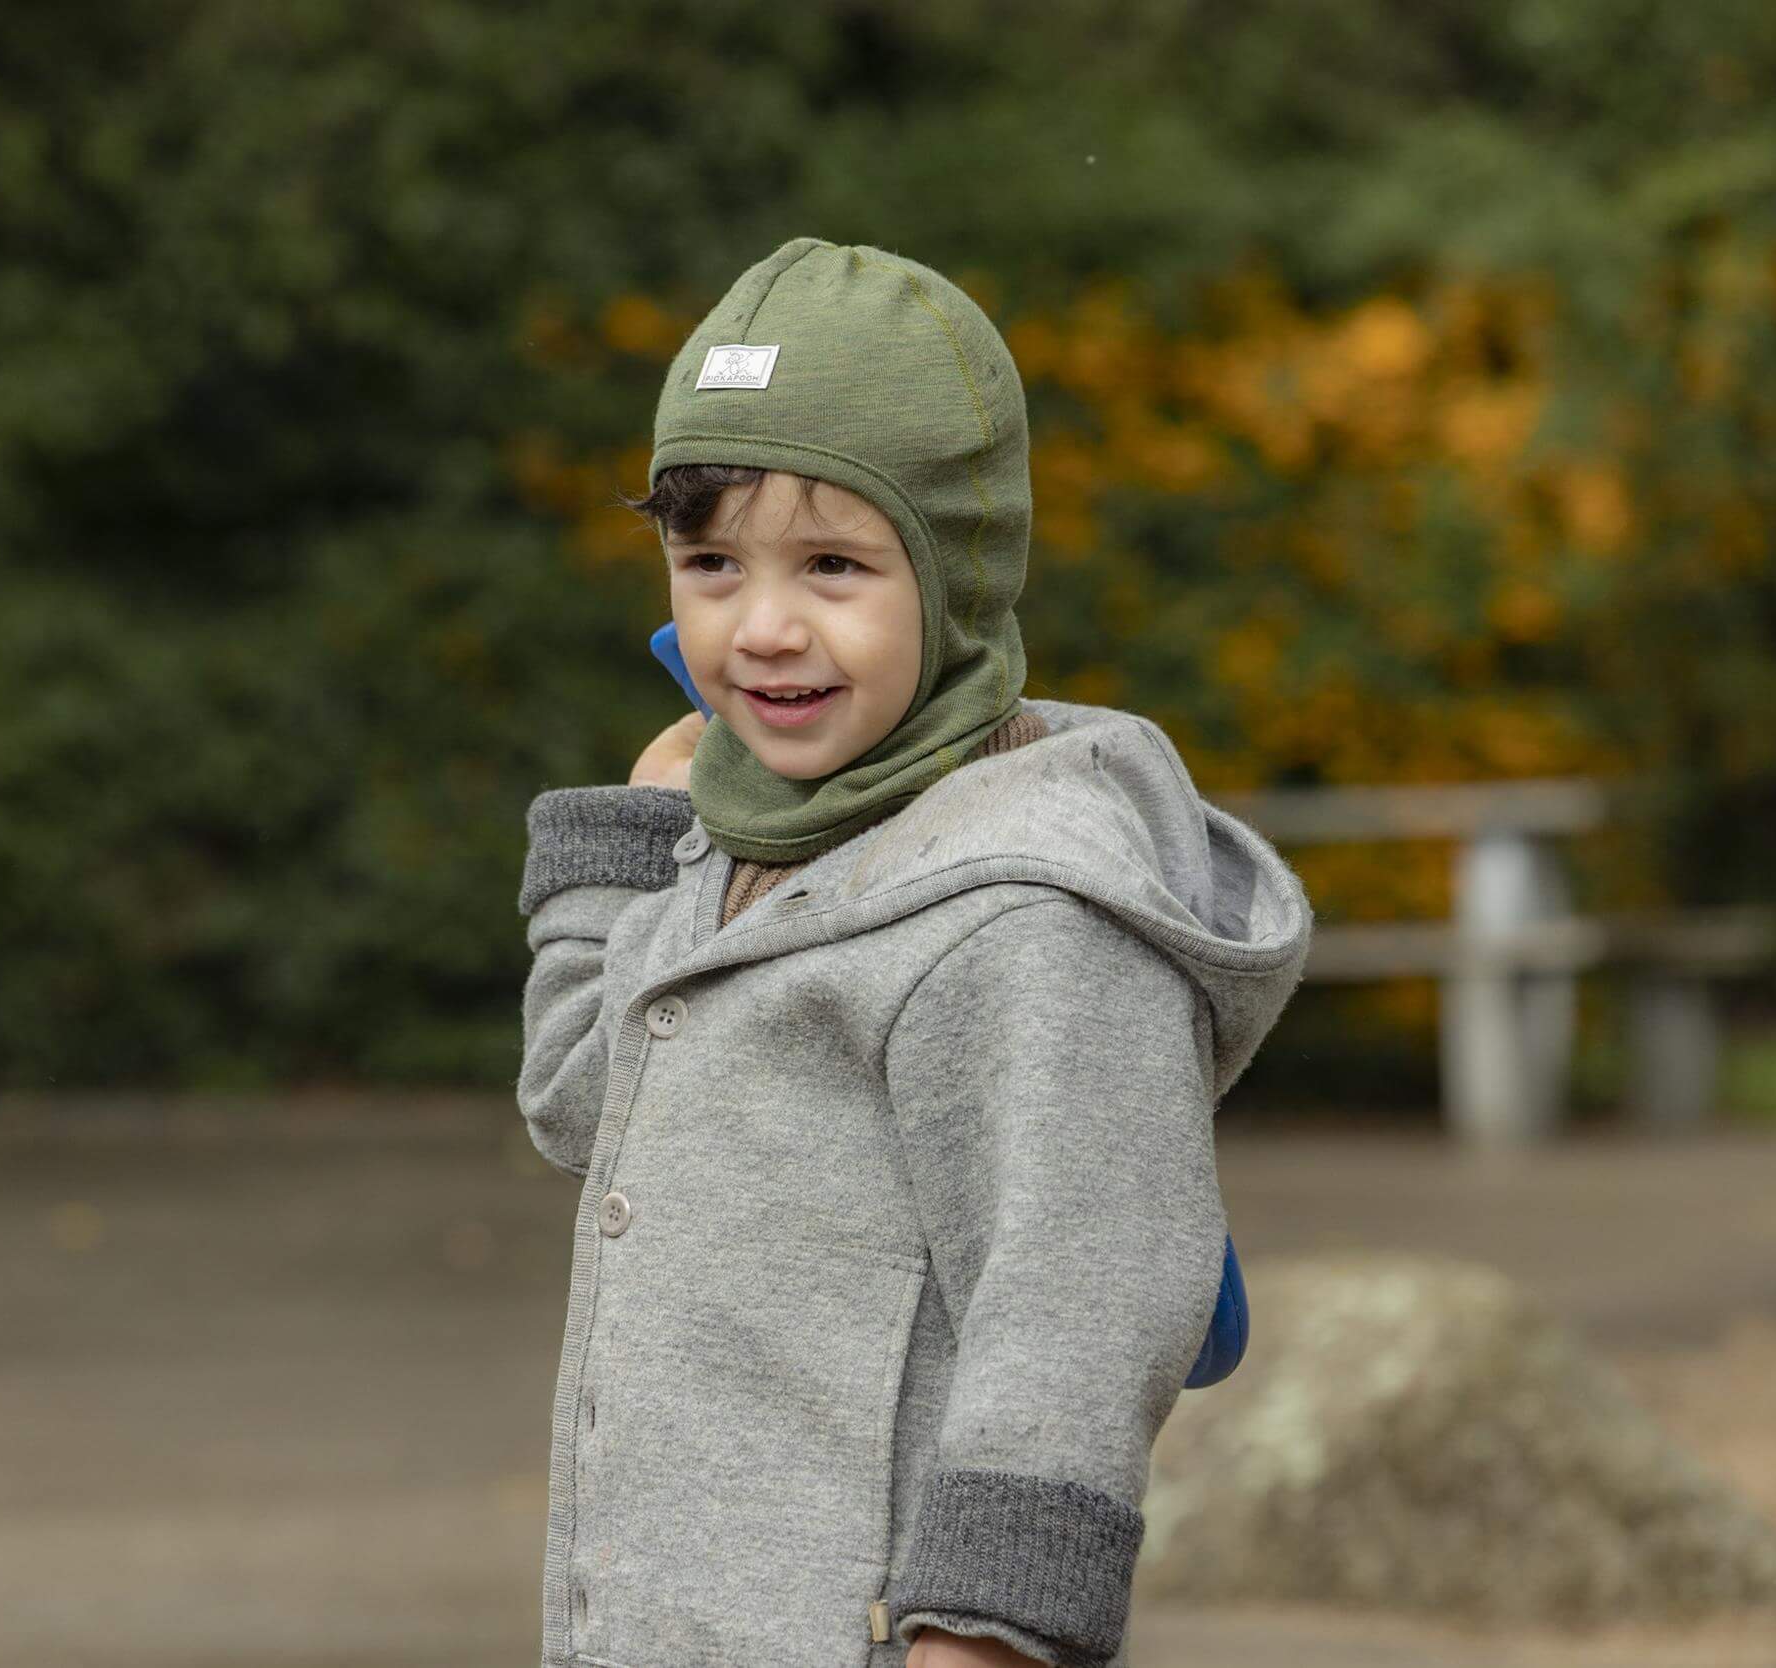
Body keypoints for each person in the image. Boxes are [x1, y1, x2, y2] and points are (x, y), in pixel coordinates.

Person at [513, 237, 1315, 1668]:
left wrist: (987, 1637)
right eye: (710, 564)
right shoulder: (744, 830)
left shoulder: (1026, 915)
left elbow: (1081, 1306)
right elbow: (585, 1099)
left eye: (833, 565)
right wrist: (633, 844)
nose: (763, 628)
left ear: (957, 578)